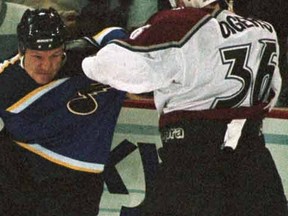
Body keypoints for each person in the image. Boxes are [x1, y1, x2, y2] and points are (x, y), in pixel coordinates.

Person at [81, 0, 288, 215]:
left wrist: (96, 52)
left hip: (193, 168)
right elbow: (273, 92)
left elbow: (114, 67)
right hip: (256, 166)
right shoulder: (264, 30)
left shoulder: (181, 25)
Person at [0, 7, 128, 216]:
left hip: (80, 185)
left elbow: (116, 35)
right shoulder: (6, 81)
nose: (47, 65)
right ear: (22, 50)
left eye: (55, 55)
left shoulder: (89, 61)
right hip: (22, 181)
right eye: (37, 57)